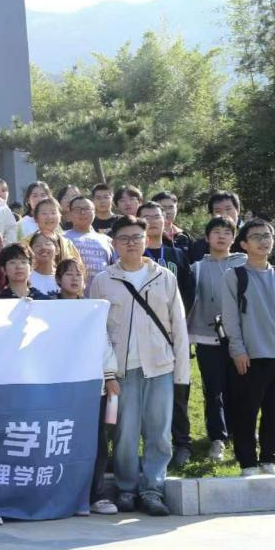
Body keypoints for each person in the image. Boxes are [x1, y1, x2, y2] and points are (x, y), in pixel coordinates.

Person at [88, 215, 190, 516]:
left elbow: (178, 327)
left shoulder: (164, 277)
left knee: (159, 434)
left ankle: (152, 490)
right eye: (124, 238)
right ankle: (127, 489)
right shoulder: (103, 280)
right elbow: (97, 332)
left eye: (136, 237)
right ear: (114, 243)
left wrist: (181, 375)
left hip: (160, 367)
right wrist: (107, 374)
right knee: (125, 435)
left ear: (146, 240)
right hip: (122, 371)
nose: (131, 243)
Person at [221, 219, 275, 477]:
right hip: (249, 356)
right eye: (256, 236)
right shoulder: (235, 275)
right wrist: (238, 349)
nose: (263, 241)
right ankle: (248, 462)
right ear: (244, 244)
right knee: (246, 412)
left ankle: (269, 458)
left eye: (267, 236)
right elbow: (230, 317)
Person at [57, 257, 123, 516]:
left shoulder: (92, 310)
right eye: (68, 274)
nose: (74, 279)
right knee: (61, 440)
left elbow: (103, 344)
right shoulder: (48, 309)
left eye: (79, 275)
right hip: (60, 387)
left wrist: (110, 376)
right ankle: (61, 494)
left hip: (91, 386)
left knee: (96, 440)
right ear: (58, 279)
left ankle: (95, 495)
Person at [137, 200, 194, 466]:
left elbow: (189, 292)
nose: (152, 221)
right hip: (142, 335)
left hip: (174, 332)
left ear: (166, 220)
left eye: (156, 216)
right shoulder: (132, 257)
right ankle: (152, 445)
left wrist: (178, 325)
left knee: (179, 389)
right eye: (146, 217)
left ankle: (182, 443)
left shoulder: (177, 255)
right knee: (147, 394)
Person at [188, 217, 246, 462]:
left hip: (239, 339)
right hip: (207, 337)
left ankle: (241, 432)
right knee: (213, 390)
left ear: (234, 237)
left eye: (226, 232)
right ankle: (217, 438)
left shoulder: (244, 263)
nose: (221, 236)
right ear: (207, 237)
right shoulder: (197, 267)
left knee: (240, 388)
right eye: (216, 232)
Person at [64, 195, 116, 289]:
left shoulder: (107, 240)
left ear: (94, 212)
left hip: (101, 293)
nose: (82, 212)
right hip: (70, 295)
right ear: (70, 213)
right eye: (77, 209)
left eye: (87, 209)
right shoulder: (62, 238)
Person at [189, 191, 243, 263]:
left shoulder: (249, 241)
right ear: (212, 215)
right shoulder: (200, 247)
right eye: (218, 211)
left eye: (228, 209)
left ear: (238, 210)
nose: (224, 214)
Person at [28, 232, 62, 297]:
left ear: (57, 250)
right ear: (31, 251)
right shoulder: (26, 277)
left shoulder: (64, 277)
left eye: (48, 244)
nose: (43, 247)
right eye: (37, 245)